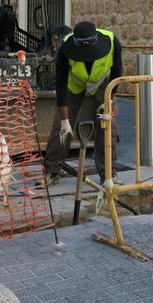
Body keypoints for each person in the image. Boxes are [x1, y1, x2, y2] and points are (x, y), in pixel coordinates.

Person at [44, 21, 122, 185]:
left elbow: (116, 75)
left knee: (107, 125)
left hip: (101, 85)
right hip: (74, 85)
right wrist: (65, 121)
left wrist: (108, 101)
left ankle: (108, 175)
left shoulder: (112, 42)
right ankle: (52, 173)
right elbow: (61, 85)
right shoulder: (65, 49)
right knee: (60, 129)